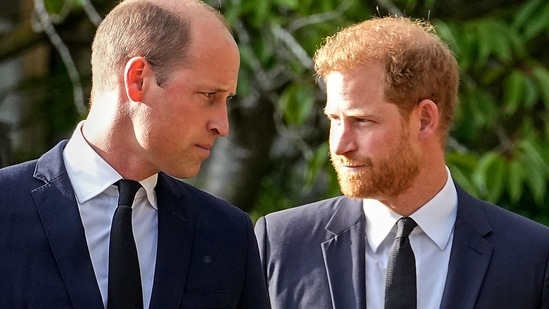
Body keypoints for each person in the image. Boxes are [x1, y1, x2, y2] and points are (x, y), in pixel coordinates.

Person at [255, 16, 549, 309]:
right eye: (334, 119)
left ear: (424, 120)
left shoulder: (531, 256)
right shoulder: (282, 243)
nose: (340, 145)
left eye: (362, 121)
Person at [0, 0, 270, 308]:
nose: (222, 125)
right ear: (138, 78)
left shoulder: (228, 234)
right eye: (209, 95)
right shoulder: (5, 208)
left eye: (227, 99)